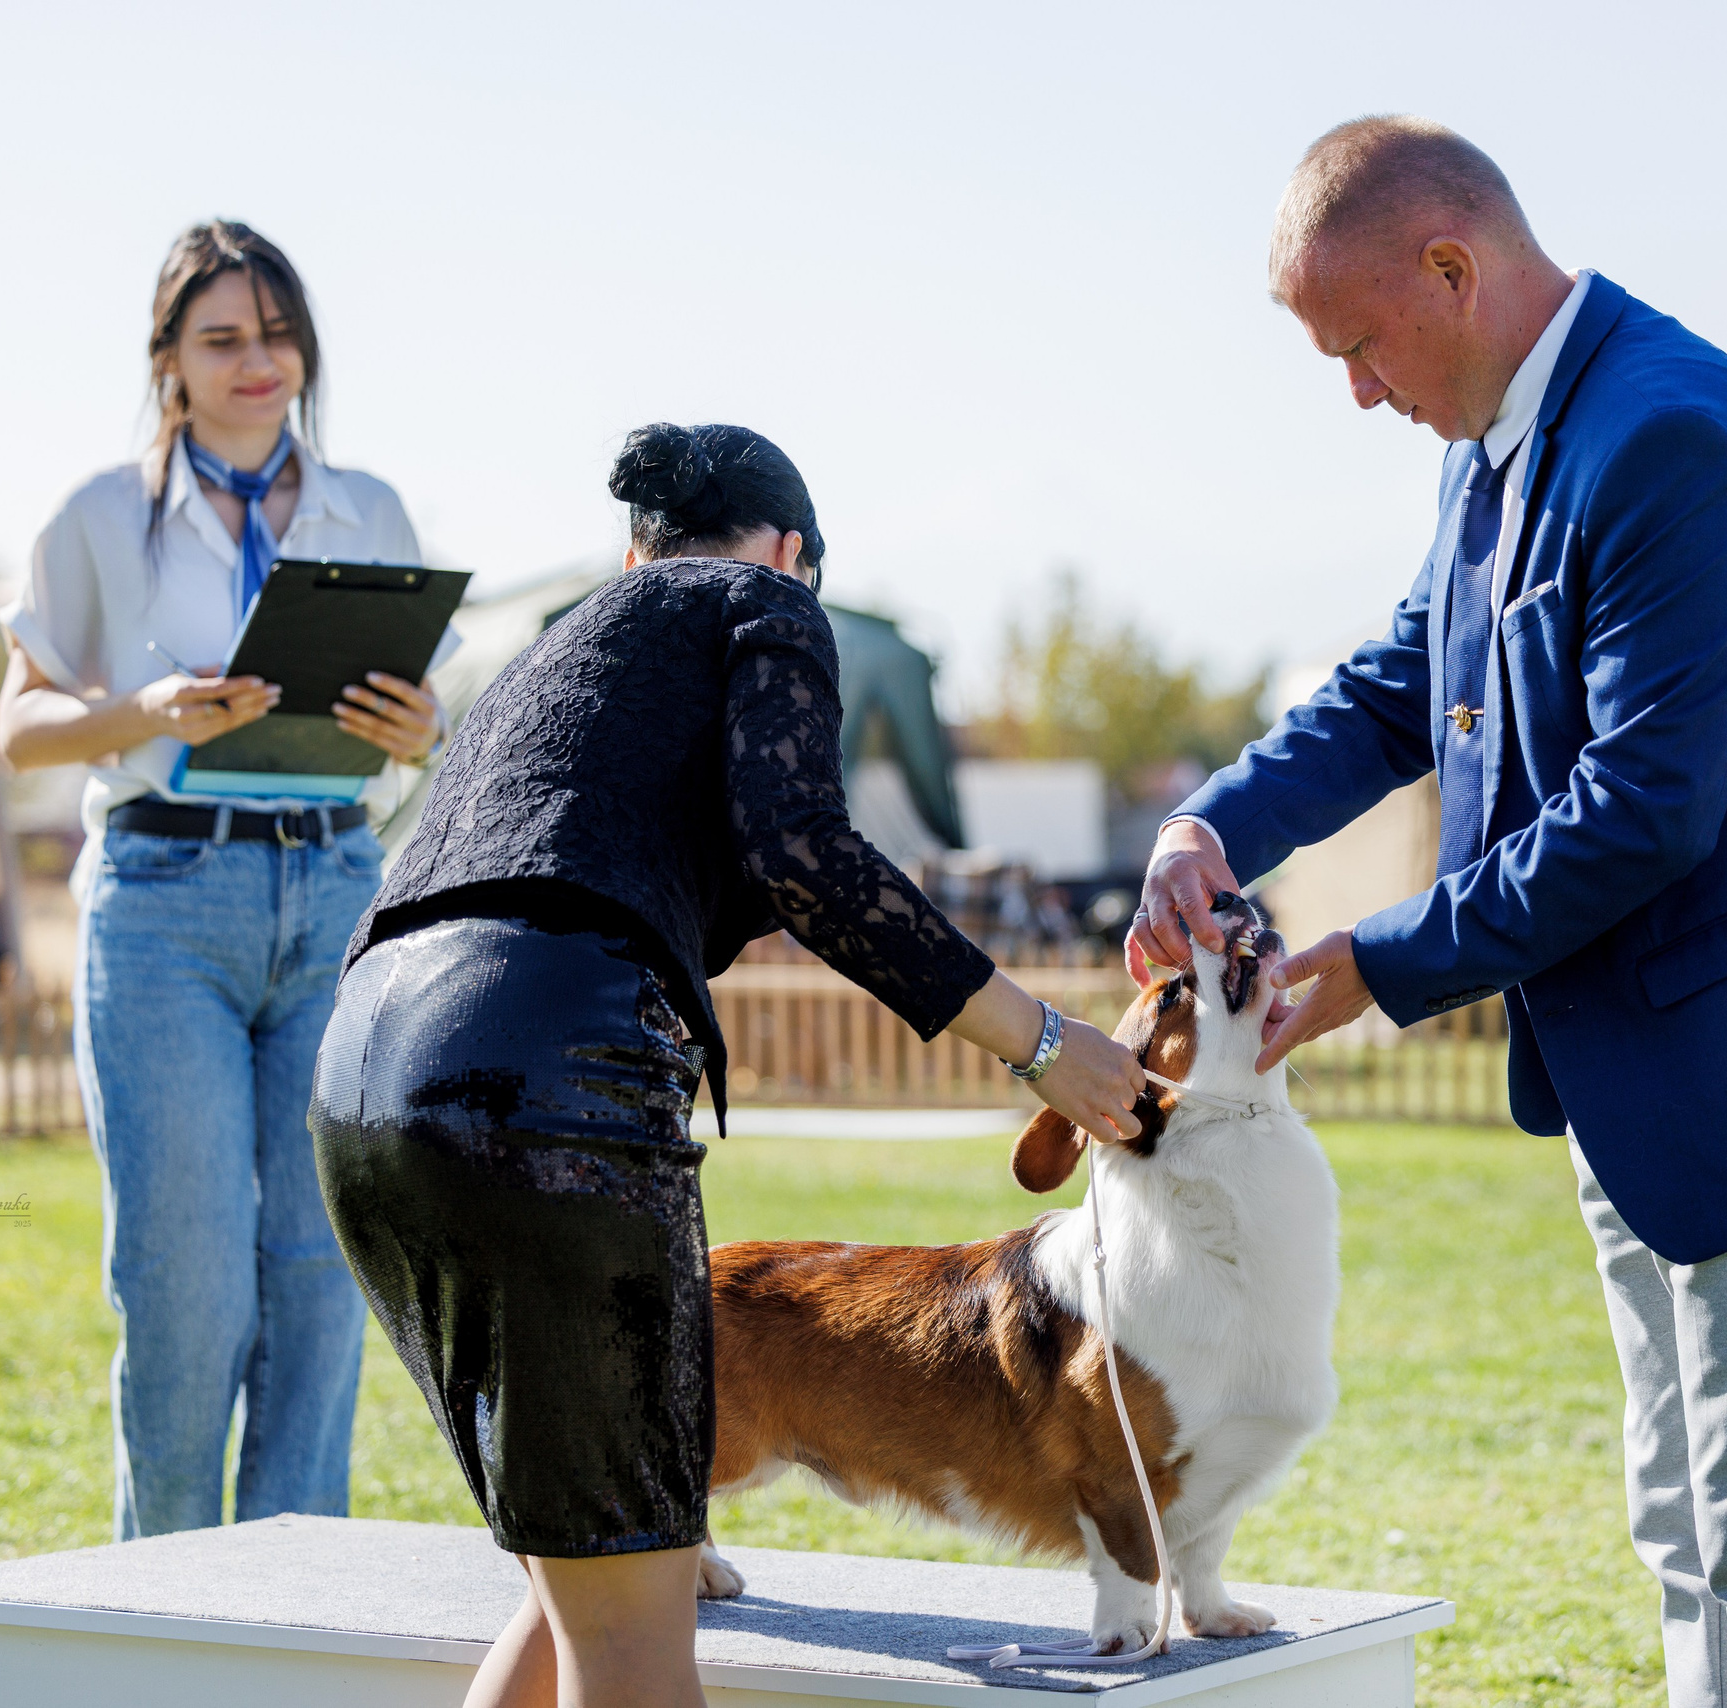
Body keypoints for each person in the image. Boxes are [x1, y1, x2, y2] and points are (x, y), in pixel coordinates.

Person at [1132, 118, 1727, 1708]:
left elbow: (1642, 810)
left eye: (1362, 344)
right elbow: (1402, 687)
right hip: (1642, 1069)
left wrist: (1378, 963)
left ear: (1452, 269)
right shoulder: (1493, 444)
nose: (1359, 392)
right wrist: (1211, 825)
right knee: (1687, 1519)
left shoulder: (1672, 439)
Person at [309, 422, 1148, 1708]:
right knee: (633, 1635)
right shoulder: (763, 602)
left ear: (634, 552)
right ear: (792, 550)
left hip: (363, 1083)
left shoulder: (556, 653)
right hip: (542, 1086)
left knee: (581, 1582)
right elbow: (805, 854)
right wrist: (1040, 1041)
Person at [0, 220, 452, 1539]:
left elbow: (420, 720)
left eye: (280, 332)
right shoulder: (97, 518)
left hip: (335, 889)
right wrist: (142, 711)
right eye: (224, 338)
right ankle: (166, 1598)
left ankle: (286, 1610)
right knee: (189, 1285)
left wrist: (419, 729)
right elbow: (19, 726)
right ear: (169, 362)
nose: (261, 361)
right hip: (163, 904)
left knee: (319, 1273)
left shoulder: (372, 509)